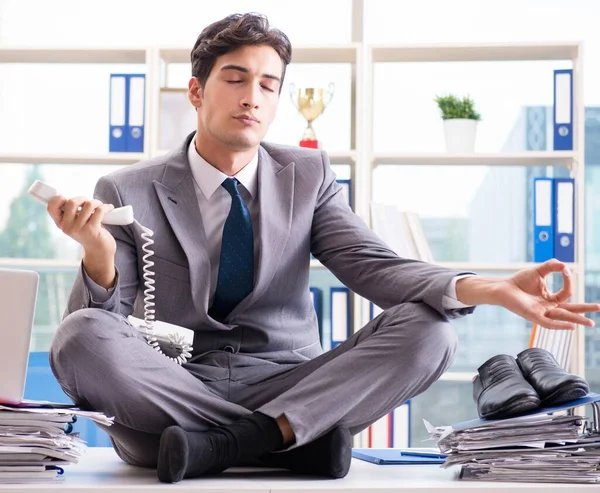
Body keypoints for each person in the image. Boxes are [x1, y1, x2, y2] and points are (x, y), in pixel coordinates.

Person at [46, 12, 600, 484]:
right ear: (197, 90)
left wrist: (491, 288)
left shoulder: (306, 174)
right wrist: (97, 253)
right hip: (178, 384)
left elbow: (374, 265)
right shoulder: (128, 190)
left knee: (430, 329)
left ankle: (226, 444)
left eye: (268, 84)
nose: (252, 97)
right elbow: (101, 330)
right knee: (78, 337)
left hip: (290, 383)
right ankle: (280, 441)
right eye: (236, 78)